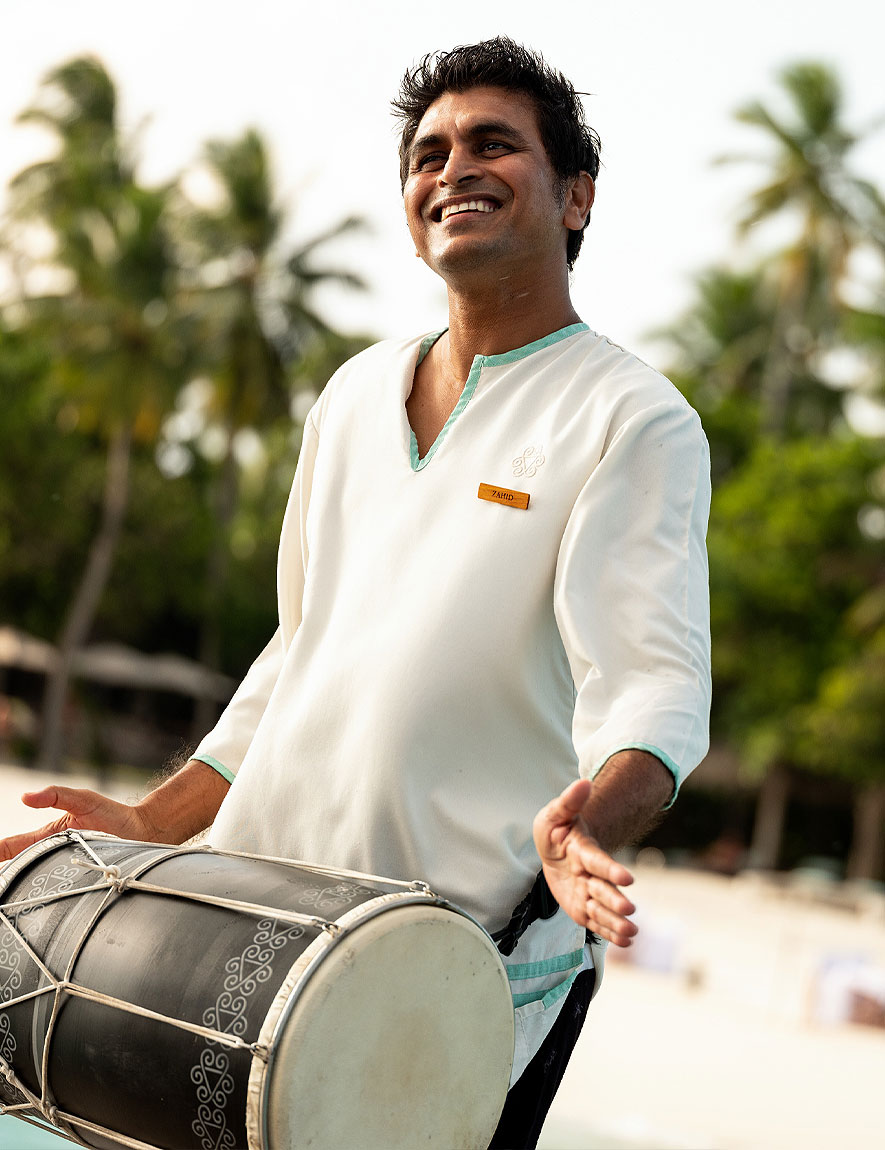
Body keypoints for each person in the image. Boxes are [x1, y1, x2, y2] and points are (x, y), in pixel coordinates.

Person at [0, 38, 711, 1148]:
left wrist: (591, 821)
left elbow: (656, 688)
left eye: (493, 144)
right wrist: (152, 820)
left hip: (446, 962)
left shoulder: (633, 416)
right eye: (428, 152)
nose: (453, 168)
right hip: (248, 920)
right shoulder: (351, 392)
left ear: (575, 195)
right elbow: (295, 653)